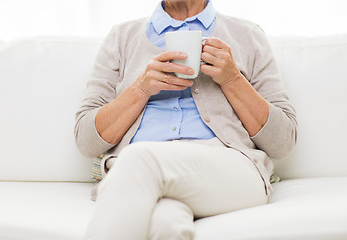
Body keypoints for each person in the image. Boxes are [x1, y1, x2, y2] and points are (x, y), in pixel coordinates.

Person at [74, 0, 297, 239]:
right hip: (142, 174)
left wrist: (233, 80)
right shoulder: (122, 37)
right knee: (165, 224)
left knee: (140, 158)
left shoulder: (247, 35)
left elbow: (282, 143)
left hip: (231, 169)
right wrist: (140, 89)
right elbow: (87, 141)